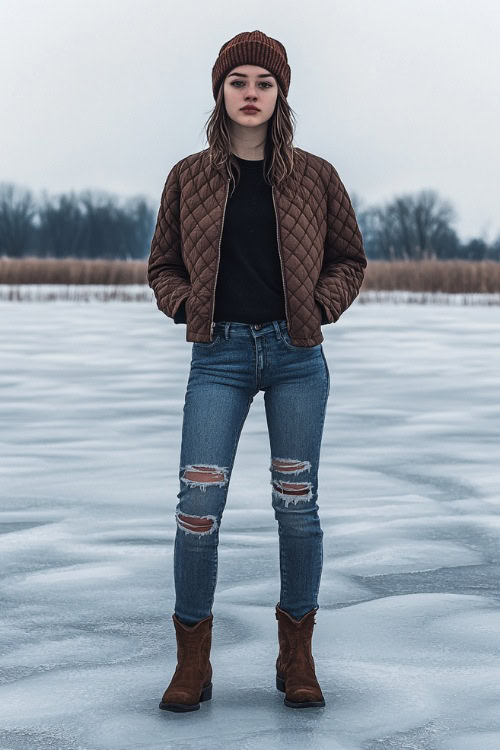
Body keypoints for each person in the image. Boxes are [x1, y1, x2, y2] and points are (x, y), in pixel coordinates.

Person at [147, 30, 367, 713]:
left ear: (281, 94)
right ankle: (193, 664)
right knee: (197, 510)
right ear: (221, 90)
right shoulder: (188, 176)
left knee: (297, 510)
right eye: (238, 81)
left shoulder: (316, 176)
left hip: (297, 358)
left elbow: (349, 259)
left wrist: (321, 306)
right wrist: (186, 307)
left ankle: (296, 659)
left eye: (263, 83)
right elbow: (161, 266)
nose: (251, 93)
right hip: (218, 359)